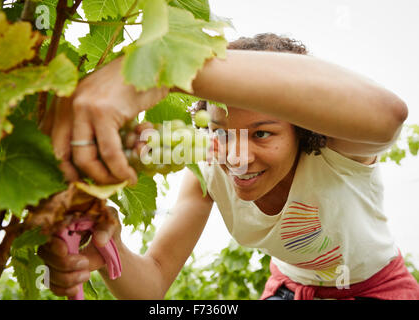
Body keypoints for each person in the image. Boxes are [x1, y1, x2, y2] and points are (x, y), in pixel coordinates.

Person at [38, 33, 419, 300]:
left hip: (378, 289)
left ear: (302, 132)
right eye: (220, 131)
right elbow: (152, 285)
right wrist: (110, 248)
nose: (237, 154)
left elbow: (390, 115)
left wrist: (162, 68)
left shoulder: (338, 156)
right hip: (289, 289)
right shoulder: (206, 172)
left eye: (262, 134)